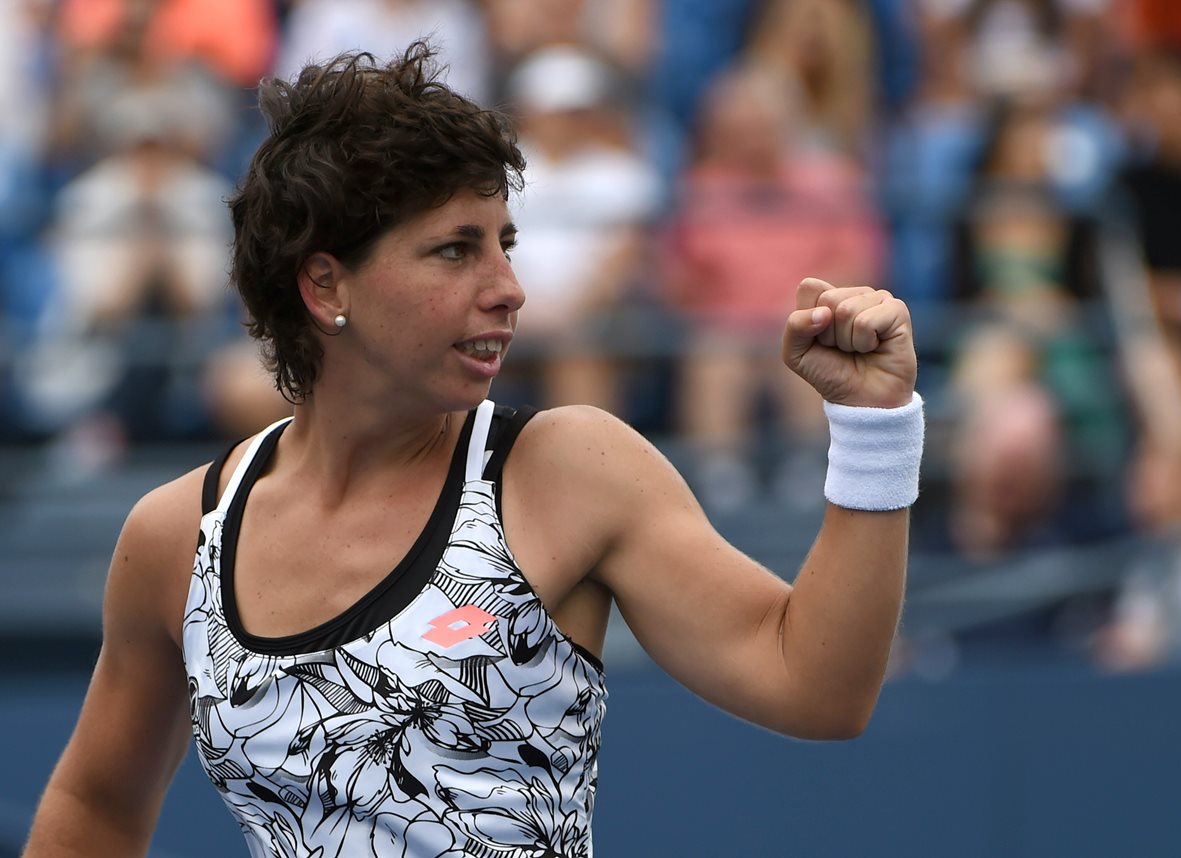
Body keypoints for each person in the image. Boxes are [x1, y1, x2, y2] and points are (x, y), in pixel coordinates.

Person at [22, 43, 923, 857]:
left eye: (505, 243)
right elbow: (95, 804)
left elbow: (819, 688)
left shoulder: (569, 467)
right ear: (325, 283)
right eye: (455, 251)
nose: (511, 290)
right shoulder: (177, 534)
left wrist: (877, 427)